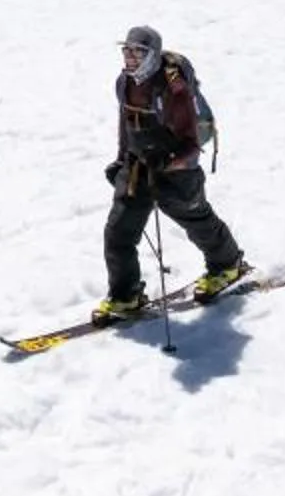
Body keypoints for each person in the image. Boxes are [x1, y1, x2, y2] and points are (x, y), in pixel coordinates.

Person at [93, 25, 251, 325]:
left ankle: (227, 264)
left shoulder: (174, 90)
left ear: (151, 55)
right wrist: (120, 159)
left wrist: (171, 165)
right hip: (138, 166)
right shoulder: (123, 83)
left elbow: (191, 144)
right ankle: (125, 296)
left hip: (176, 170)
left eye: (137, 51)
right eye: (126, 50)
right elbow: (126, 122)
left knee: (196, 220)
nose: (129, 57)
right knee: (118, 232)